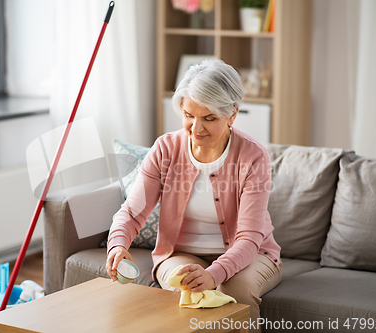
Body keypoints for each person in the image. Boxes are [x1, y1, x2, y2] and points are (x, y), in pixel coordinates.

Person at [105, 59, 282, 332]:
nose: (196, 128)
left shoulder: (253, 156)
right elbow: (131, 212)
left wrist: (213, 275)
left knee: (236, 294)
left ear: (232, 115)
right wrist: (117, 244)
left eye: (209, 118)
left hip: (253, 254)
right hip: (180, 253)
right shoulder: (165, 149)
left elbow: (249, 238)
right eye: (189, 115)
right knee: (187, 292)